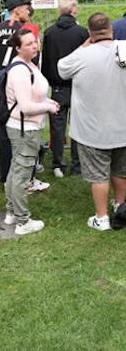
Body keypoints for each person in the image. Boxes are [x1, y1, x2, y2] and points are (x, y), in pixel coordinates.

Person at [58, 12, 126, 231]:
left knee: (98, 175)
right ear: (111, 29)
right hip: (123, 126)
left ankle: (101, 217)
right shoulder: (123, 48)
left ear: (89, 32)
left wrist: (82, 46)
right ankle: (120, 206)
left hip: (91, 129)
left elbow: (61, 68)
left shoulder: (80, 56)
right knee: (120, 170)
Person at [2, 29, 60, 236]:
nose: (34, 46)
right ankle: (22, 221)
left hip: (24, 126)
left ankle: (11, 212)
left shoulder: (29, 65)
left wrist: (46, 101)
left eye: (34, 42)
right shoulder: (20, 71)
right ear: (18, 48)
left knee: (15, 170)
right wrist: (48, 108)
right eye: (28, 44)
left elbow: (32, 96)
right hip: (24, 129)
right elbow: (26, 106)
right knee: (21, 175)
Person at [41, 0, 87, 178]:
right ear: (74, 11)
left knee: (57, 127)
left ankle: (57, 164)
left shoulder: (49, 32)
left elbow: (45, 62)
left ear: (60, 11)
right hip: (79, 85)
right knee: (78, 126)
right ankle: (77, 165)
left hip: (58, 87)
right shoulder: (82, 33)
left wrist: (50, 81)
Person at [0, 0, 31, 183]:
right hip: (18, 82)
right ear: (16, 10)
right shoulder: (23, 31)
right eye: (25, 7)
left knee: (3, 132)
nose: (28, 10)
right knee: (22, 127)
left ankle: (5, 174)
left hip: (0, 82)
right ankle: (24, 172)